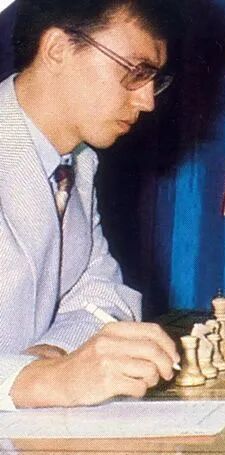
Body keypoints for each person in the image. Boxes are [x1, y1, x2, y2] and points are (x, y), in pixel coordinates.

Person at [0, 0, 181, 409]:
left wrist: (50, 354)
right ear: (58, 49)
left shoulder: (75, 166)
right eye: (135, 71)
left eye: (153, 80)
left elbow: (101, 295)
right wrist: (38, 381)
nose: (148, 101)